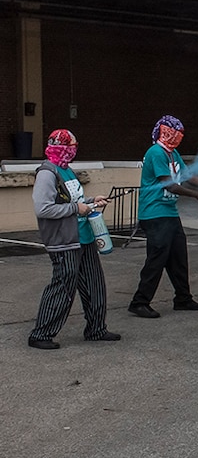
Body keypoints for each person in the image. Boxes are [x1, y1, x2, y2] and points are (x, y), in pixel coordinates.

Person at [129, 116, 198, 318]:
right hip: (154, 213)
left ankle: (183, 299)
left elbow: (187, 176)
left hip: (169, 213)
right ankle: (139, 302)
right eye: (175, 134)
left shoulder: (172, 153)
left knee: (178, 257)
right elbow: (170, 184)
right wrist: (197, 195)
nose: (178, 138)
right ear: (165, 133)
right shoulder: (156, 153)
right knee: (157, 258)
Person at [27, 129, 120, 349]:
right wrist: (76, 208)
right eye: (70, 147)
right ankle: (41, 333)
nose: (73, 151)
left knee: (94, 284)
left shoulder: (66, 170)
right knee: (63, 286)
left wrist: (91, 200)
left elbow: (73, 199)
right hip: (64, 240)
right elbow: (43, 208)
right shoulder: (48, 173)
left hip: (84, 237)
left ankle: (97, 329)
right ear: (60, 148)